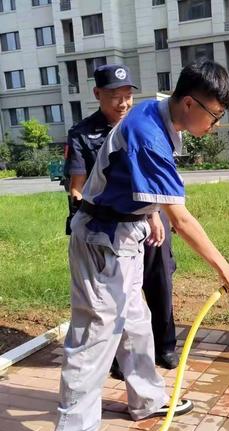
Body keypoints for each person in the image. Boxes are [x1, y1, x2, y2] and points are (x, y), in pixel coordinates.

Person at [51, 59, 229, 431]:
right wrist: (223, 267)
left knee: (137, 322)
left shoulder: (160, 112)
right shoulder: (149, 136)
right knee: (94, 339)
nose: (214, 124)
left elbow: (136, 183)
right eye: (214, 115)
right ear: (190, 103)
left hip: (127, 232)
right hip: (101, 238)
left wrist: (148, 212)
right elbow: (184, 220)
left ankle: (146, 399)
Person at [63, 64, 179, 375]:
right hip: (107, 227)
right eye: (115, 96)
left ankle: (165, 346)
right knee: (111, 298)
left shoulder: (143, 125)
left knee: (160, 279)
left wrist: (155, 215)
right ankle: (116, 357)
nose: (123, 103)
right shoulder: (82, 135)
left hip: (149, 217)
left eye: (128, 96)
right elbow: (78, 188)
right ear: (97, 94)